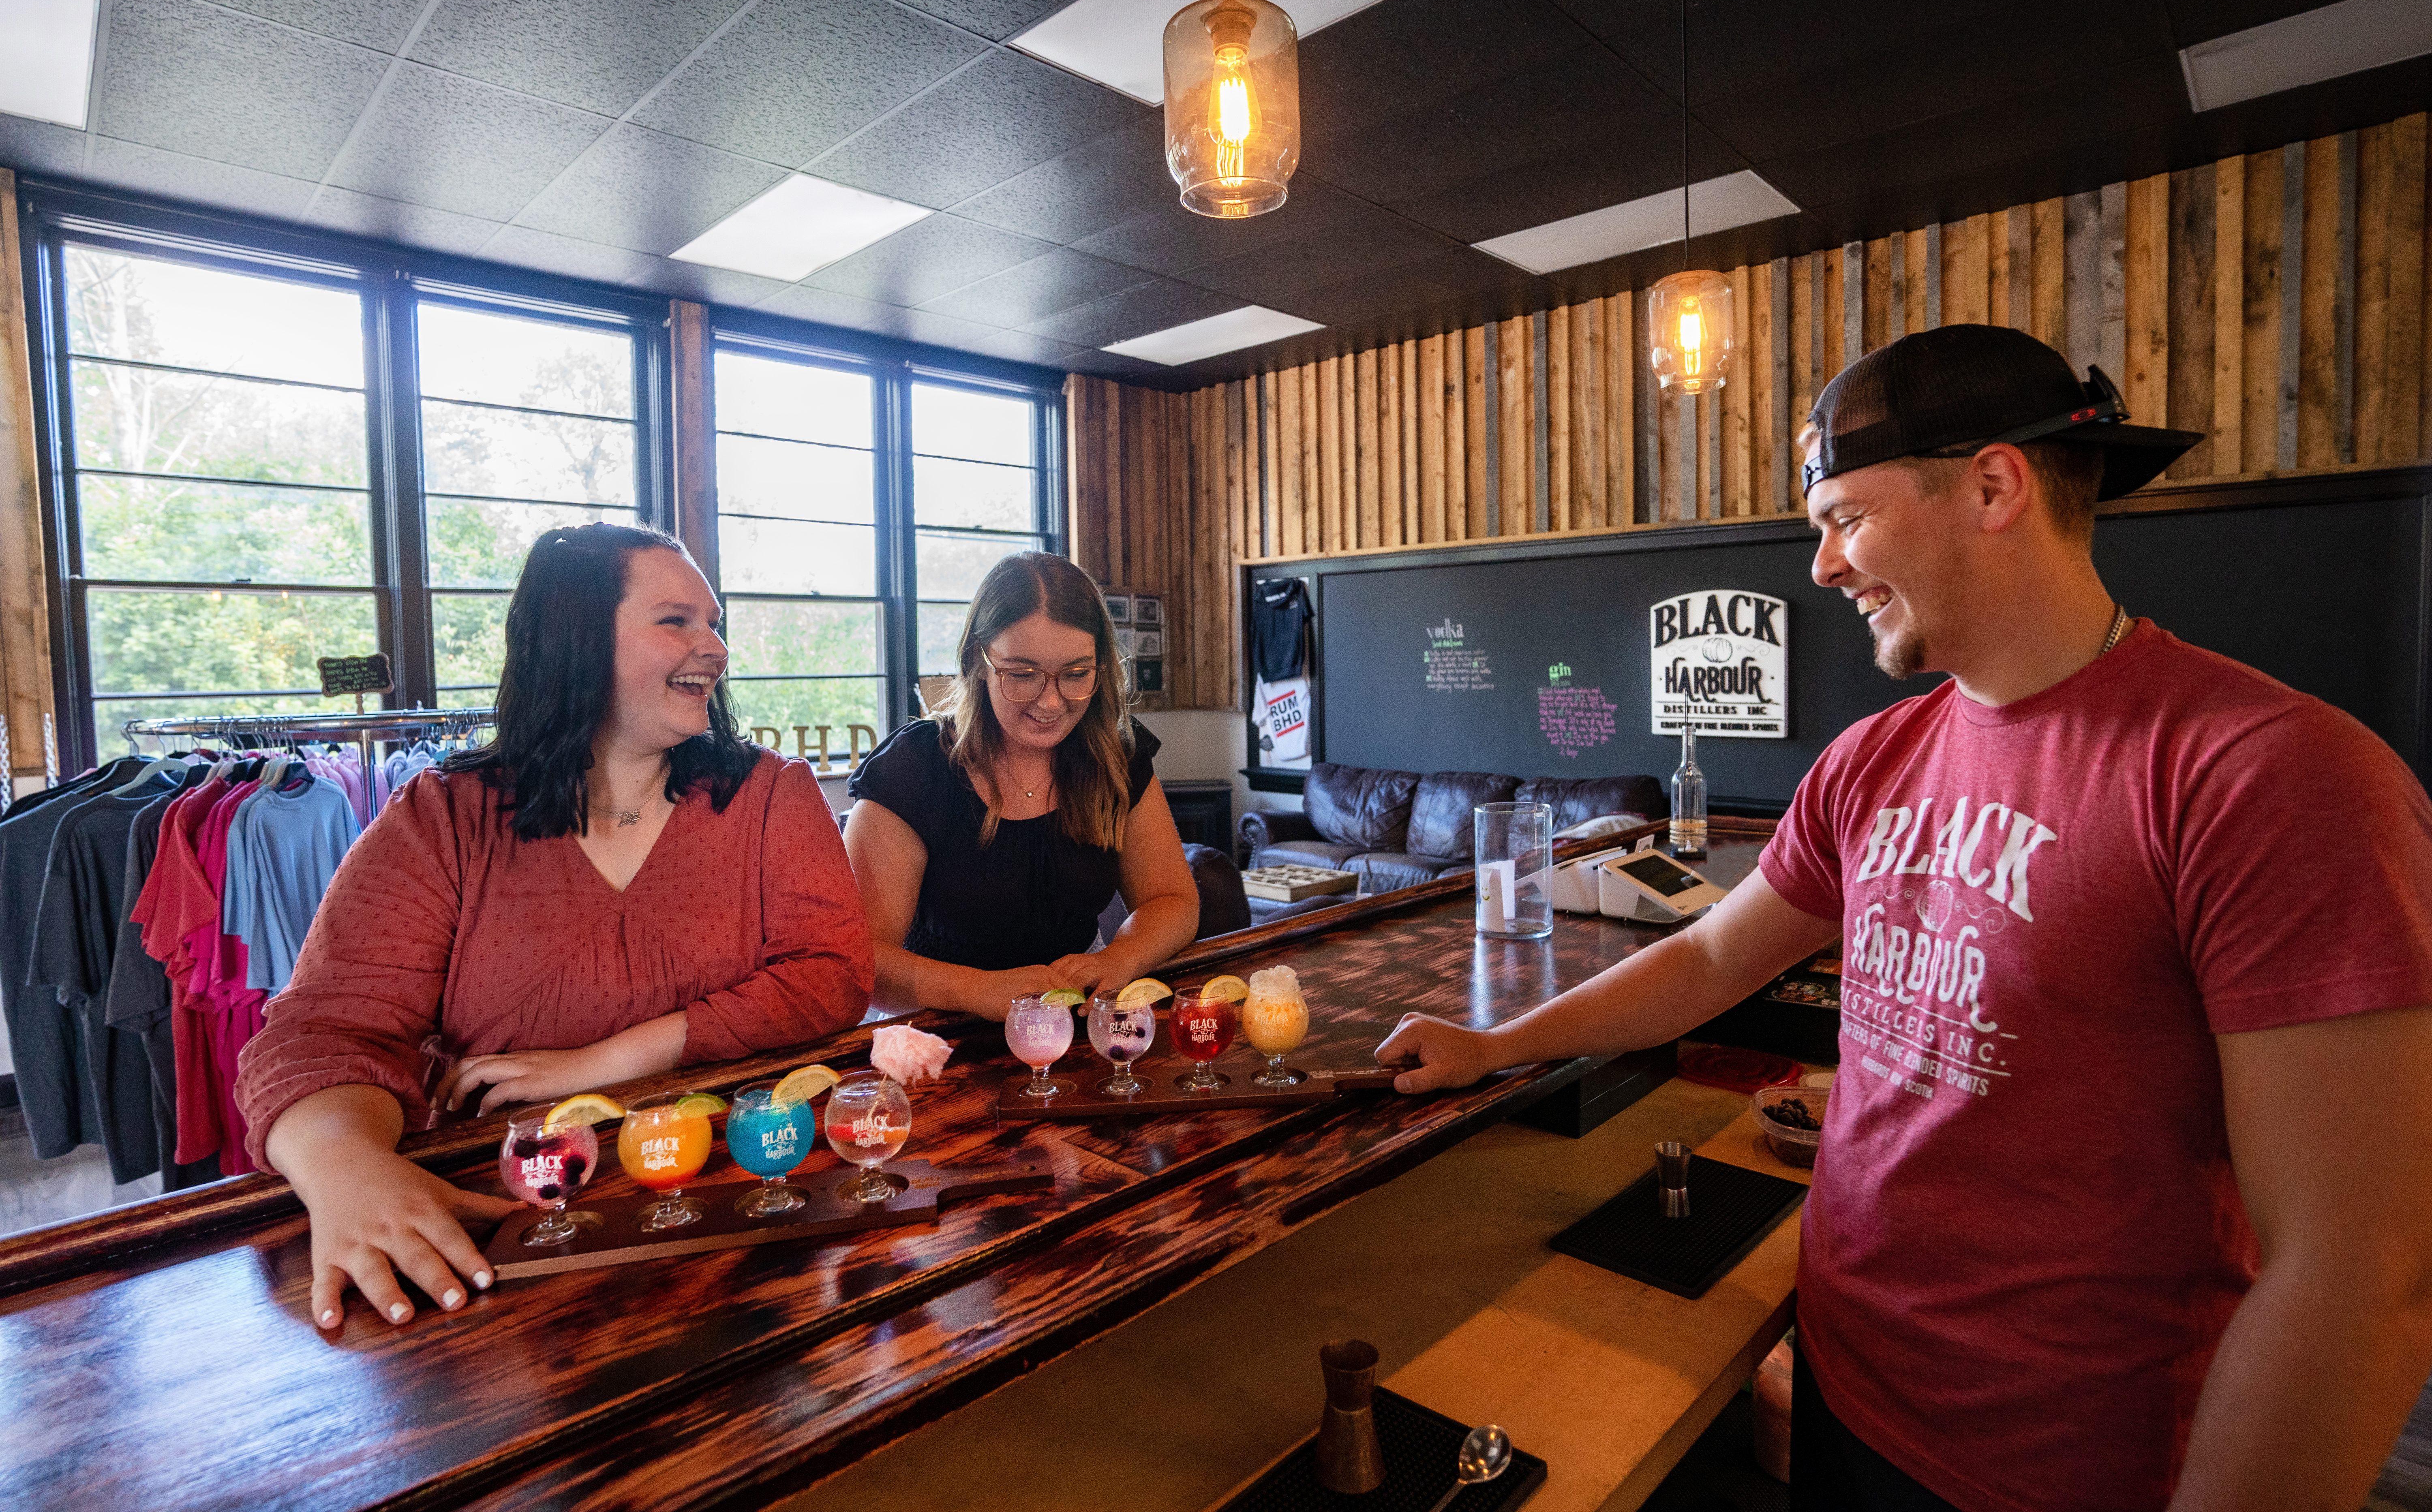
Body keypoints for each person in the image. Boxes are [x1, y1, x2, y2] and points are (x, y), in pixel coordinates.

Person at [1377, 326, 2432, 1511]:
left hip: (2071, 1461)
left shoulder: (2269, 775)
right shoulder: (1868, 760)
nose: (1822, 565)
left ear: (1991, 485)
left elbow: (2356, 1274)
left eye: (1843, 516)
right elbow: (1712, 956)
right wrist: (1495, 1042)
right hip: (1844, 1384)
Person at [237, 524, 873, 1330]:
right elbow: (324, 1035)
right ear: (574, 636)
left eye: (715, 623)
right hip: (519, 1221)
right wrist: (347, 1167)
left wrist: (610, 1058)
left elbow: (832, 975)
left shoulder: (770, 793)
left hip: (749, 1198)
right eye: (677, 620)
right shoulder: (444, 818)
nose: (713, 647)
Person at [845, 552, 1197, 1020]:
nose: (1051, 702)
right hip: (934, 1028)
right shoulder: (914, 769)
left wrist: (1120, 957)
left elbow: (1174, 902)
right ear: (979, 660)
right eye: (1023, 675)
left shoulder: (1116, 755)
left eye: (1076, 674)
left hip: (1071, 1022)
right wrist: (978, 989)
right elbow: (858, 959)